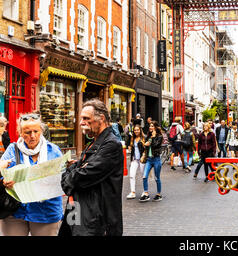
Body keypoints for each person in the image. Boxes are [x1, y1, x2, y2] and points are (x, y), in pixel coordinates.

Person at [61, 98, 123, 236]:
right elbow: (74, 172)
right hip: (77, 211)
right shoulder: (92, 144)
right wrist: (73, 172)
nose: (81, 123)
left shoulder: (111, 145)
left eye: (86, 118)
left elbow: (81, 177)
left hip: (95, 219)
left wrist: (72, 174)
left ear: (101, 118)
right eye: (81, 118)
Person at [0, 113, 63, 236]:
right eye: (27, 132)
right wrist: (4, 181)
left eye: (36, 131)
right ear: (20, 133)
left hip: (46, 212)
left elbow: (63, 179)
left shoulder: (54, 151)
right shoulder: (12, 150)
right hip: (15, 211)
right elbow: (2, 174)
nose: (32, 136)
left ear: (42, 131)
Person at [140, 121, 163, 202]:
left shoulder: (159, 137)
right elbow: (145, 147)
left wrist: (152, 138)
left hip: (156, 159)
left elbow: (155, 145)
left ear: (155, 127)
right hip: (149, 160)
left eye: (152, 126)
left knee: (157, 178)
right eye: (150, 126)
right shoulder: (148, 136)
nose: (150, 127)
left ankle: (159, 194)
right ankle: (146, 193)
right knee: (144, 176)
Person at [126, 125, 147, 200]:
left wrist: (144, 156)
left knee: (143, 176)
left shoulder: (144, 138)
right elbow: (131, 147)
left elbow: (146, 148)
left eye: (137, 130)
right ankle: (133, 192)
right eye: (135, 130)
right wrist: (130, 148)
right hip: (134, 159)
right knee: (131, 175)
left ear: (140, 130)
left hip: (141, 159)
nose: (136, 131)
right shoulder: (132, 138)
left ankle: (145, 191)